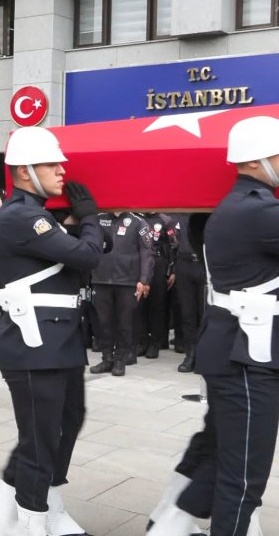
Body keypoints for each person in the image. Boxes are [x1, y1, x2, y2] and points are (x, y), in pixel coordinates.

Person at [148, 116, 279, 536]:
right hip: (245, 357)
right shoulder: (258, 211)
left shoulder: (236, 206)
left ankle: (170, 521)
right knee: (243, 479)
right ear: (258, 161)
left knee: (225, 453)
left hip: (237, 350)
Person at [0, 127, 102, 536]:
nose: (62, 169)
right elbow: (87, 256)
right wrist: (89, 219)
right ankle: (31, 522)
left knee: (67, 422)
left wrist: (78, 220)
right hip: (35, 345)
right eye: (52, 163)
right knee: (40, 438)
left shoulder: (42, 216)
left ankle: (30, 509)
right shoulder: (22, 216)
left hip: (60, 341)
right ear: (24, 171)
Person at [89, 211, 154, 376]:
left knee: (124, 323)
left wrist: (144, 279)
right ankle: (106, 358)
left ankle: (120, 360)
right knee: (104, 322)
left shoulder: (138, 222)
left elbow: (147, 252)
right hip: (101, 279)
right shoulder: (99, 219)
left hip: (128, 281)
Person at [134, 212, 178, 360]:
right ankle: (142, 341)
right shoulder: (137, 219)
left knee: (157, 304)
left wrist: (173, 270)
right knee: (140, 304)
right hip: (140, 263)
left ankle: (155, 343)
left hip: (159, 263)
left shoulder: (166, 220)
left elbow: (174, 245)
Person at [172, 214, 206, 373]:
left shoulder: (206, 212)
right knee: (187, 313)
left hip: (203, 263)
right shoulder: (179, 213)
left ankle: (205, 353)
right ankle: (190, 353)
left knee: (204, 312)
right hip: (183, 263)